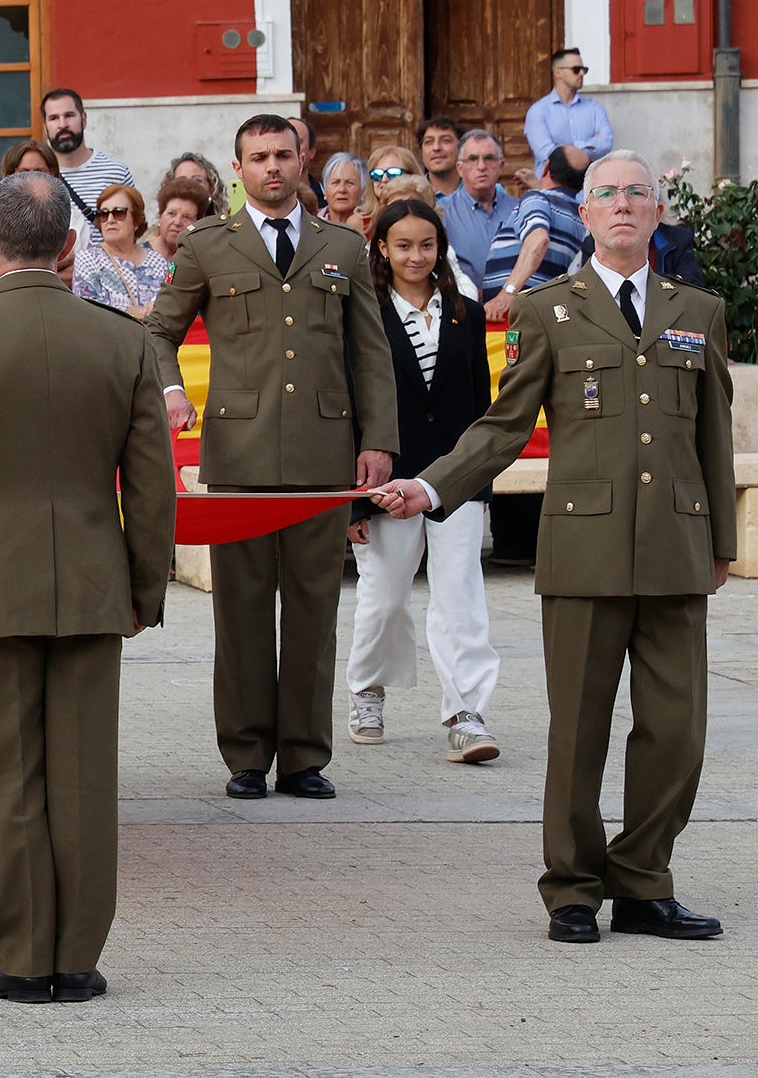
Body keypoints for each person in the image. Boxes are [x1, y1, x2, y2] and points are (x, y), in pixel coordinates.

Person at [371, 150, 733, 945]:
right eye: (607, 195)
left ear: (658, 208)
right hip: (586, 551)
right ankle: (572, 887)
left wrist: (723, 543)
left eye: (639, 194)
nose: (624, 207)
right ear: (588, 214)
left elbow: (714, 437)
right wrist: (430, 487)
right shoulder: (547, 311)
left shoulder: (696, 311)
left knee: (678, 734)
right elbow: (503, 428)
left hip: (676, 548)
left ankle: (642, 882)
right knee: (578, 732)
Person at [0, 171, 174, 1005]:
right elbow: (153, 488)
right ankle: (78, 958)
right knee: (86, 778)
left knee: (9, 777)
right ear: (71, 247)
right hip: (95, 585)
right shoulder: (124, 342)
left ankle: (22, 958)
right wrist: (144, 588)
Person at [144, 114, 397, 801]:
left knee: (315, 611)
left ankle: (307, 756)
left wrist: (377, 441)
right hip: (241, 459)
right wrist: (171, 391)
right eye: (258, 157)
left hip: (323, 457)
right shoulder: (206, 245)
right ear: (239, 169)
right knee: (245, 613)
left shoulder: (342, 245)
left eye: (283, 154)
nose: (273, 167)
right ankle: (247, 755)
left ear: (302, 160)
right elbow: (158, 333)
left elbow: (370, 353)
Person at [344, 199, 500, 761]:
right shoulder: (363, 313)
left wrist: (478, 486)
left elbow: (482, 408)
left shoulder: (466, 311)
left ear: (441, 248)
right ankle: (367, 686)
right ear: (381, 249)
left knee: (459, 592)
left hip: (453, 480)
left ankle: (467, 711)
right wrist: (355, 508)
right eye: (403, 245)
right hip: (385, 477)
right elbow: (351, 407)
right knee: (384, 596)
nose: (416, 255)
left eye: (426, 244)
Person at [483, 144, 590, 322]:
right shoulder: (580, 217)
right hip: (546, 314)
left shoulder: (537, 198)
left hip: (511, 314)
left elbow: (539, 240)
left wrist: (508, 292)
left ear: (546, 166)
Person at [41, 88, 134, 243]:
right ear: (45, 126)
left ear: (84, 119)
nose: (62, 124)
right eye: (54, 118)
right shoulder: (40, 177)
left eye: (69, 115)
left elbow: (133, 228)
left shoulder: (116, 172)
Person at [71, 184, 168, 318]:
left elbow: (171, 303)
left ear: (136, 220)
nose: (110, 220)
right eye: (103, 214)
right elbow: (86, 308)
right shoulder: (88, 258)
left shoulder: (159, 262)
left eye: (119, 213)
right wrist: (132, 312)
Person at [438, 130, 518, 287]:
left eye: (489, 158)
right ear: (460, 168)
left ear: (501, 166)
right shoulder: (442, 212)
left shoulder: (519, 209)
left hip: (513, 305)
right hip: (462, 305)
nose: (481, 166)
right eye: (473, 159)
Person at [524, 48, 613, 179]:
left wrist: (572, 147)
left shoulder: (595, 108)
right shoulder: (538, 111)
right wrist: (589, 146)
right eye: (576, 69)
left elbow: (606, 143)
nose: (582, 73)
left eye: (584, 69)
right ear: (558, 73)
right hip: (551, 187)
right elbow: (546, 153)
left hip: (587, 185)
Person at [145, 177, 210, 264]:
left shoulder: (203, 263)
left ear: (197, 223)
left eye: (187, 217)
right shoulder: (136, 257)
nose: (177, 222)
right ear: (160, 216)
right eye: (171, 214)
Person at [162, 152, 229, 219]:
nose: (189, 186)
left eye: (197, 181)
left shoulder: (222, 227)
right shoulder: (166, 227)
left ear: (212, 189)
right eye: (181, 181)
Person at [318, 152, 370, 233]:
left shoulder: (371, 227)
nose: (342, 190)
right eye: (335, 182)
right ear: (325, 191)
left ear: (363, 191)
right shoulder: (309, 224)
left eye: (350, 183)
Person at [418, 117, 463, 198]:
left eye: (445, 141)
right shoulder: (413, 195)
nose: (436, 148)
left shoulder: (477, 193)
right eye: (429, 142)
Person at [288, 116, 325, 204]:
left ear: (312, 152)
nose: (291, 147)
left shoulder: (328, 196)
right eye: (285, 141)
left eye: (298, 142)